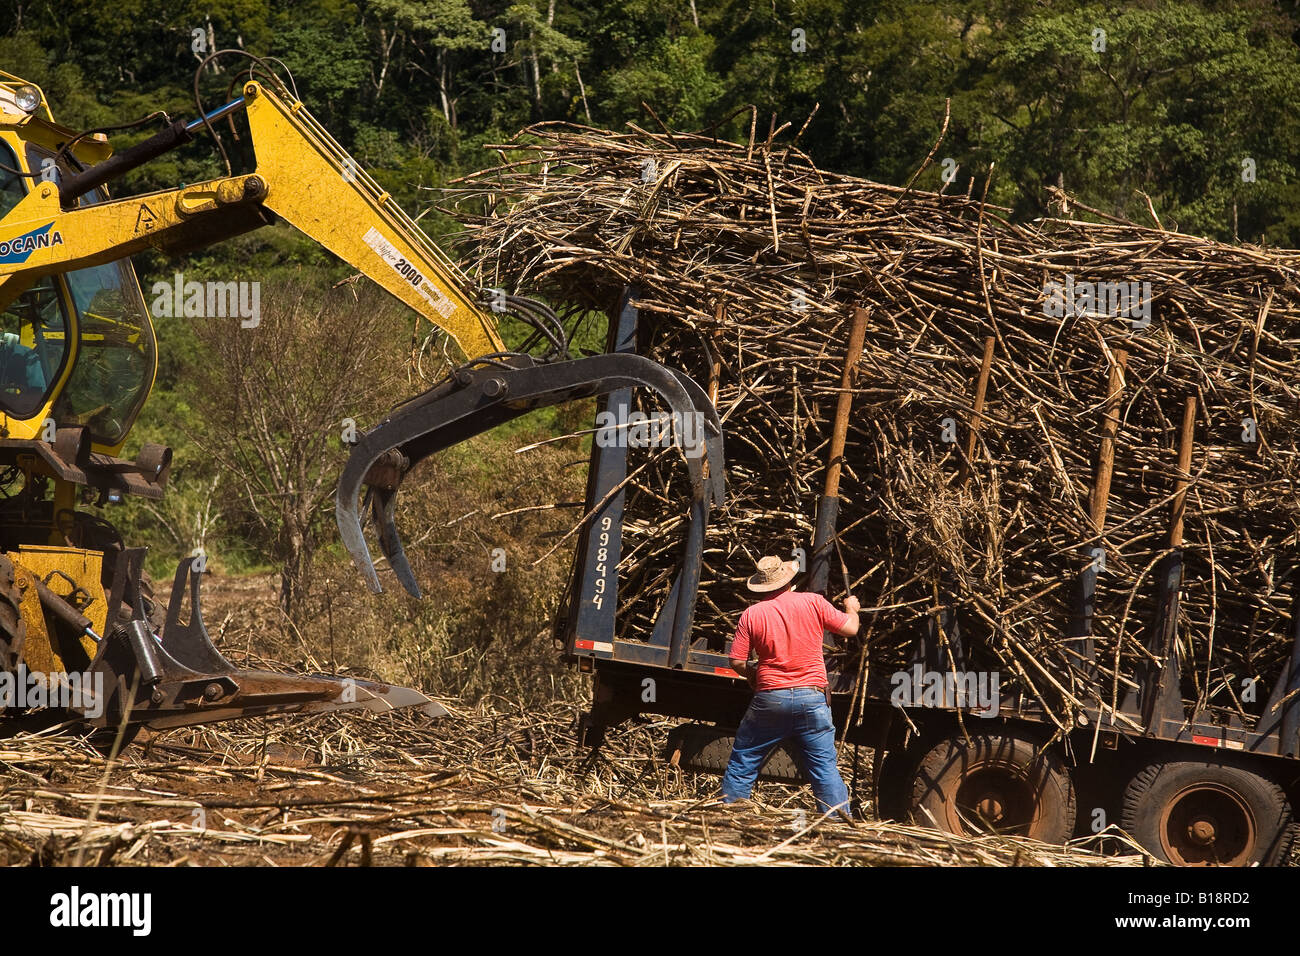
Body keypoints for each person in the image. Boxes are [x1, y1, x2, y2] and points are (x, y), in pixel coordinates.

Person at [719, 554, 860, 817]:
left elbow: (737, 660)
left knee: (744, 761)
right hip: (813, 697)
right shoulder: (813, 602)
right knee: (824, 769)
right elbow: (851, 629)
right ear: (788, 579)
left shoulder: (752, 614)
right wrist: (851, 607)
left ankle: (730, 819)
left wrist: (753, 675)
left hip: (771, 697)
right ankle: (838, 827)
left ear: (761, 585)